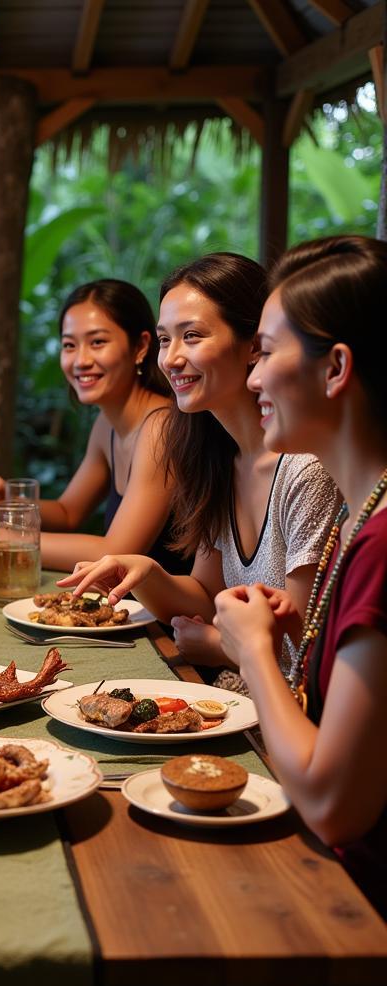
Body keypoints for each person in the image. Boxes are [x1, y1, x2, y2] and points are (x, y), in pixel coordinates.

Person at [59, 253, 339, 680]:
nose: (171, 358)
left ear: (253, 346)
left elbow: (305, 651)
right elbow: (207, 595)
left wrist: (216, 647)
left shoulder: (305, 471)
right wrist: (146, 573)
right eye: (165, 339)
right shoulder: (215, 456)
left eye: (192, 336)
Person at [212, 236, 387, 915]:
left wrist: (251, 648)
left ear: (336, 366)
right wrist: (297, 634)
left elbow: (334, 805)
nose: (252, 378)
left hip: (352, 914)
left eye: (266, 351)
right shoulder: (358, 515)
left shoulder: (378, 543)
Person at [0, 279, 188, 573]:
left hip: (170, 617)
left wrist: (1, 539)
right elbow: (68, 512)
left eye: (97, 342)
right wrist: (8, 497)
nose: (80, 360)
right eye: (69, 345)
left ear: (141, 346)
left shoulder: (160, 427)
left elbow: (117, 552)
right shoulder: (106, 425)